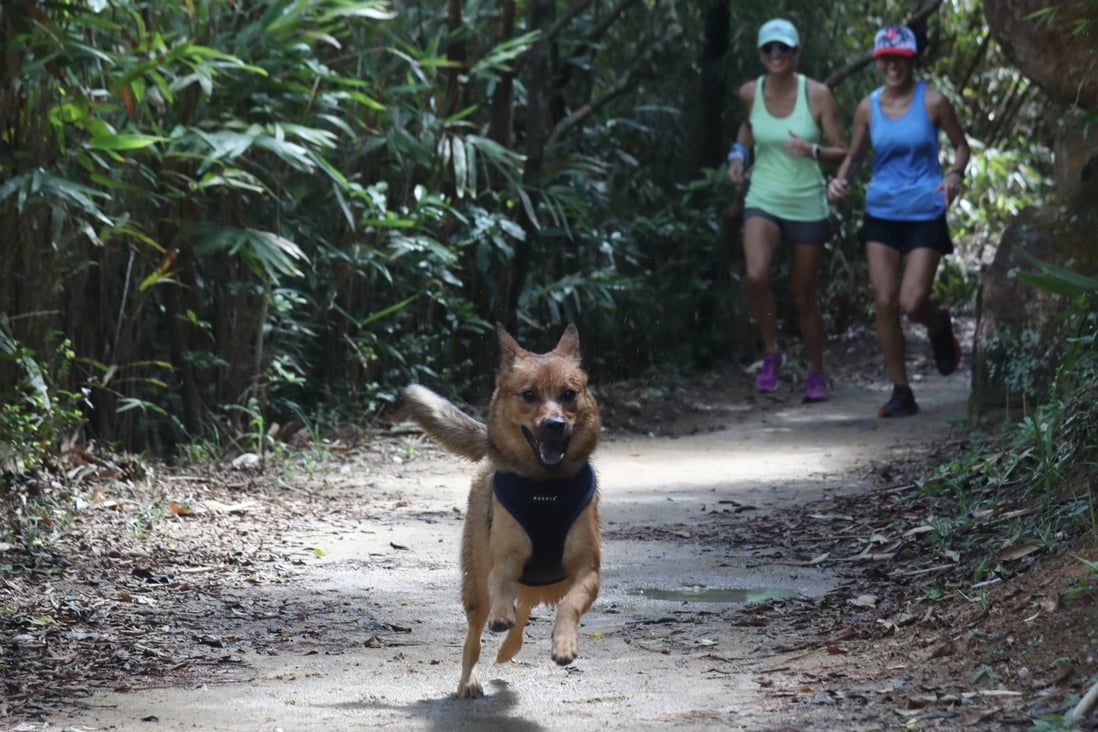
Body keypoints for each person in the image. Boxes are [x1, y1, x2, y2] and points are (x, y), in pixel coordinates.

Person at [827, 24, 970, 418]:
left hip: (925, 210)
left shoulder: (934, 101)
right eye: (886, 59)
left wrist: (955, 174)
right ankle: (901, 390)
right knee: (886, 300)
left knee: (912, 302)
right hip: (882, 212)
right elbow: (854, 156)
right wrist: (839, 181)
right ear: (878, 63)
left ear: (911, 59)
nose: (893, 65)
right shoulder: (867, 107)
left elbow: (961, 145)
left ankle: (938, 324)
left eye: (900, 58)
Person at [727, 18, 847, 403]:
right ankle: (772, 350)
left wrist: (812, 151)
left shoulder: (818, 95)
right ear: (761, 54)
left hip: (807, 201)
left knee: (803, 294)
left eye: (783, 49)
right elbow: (748, 127)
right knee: (756, 274)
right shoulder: (750, 92)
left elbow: (843, 150)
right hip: (764, 196)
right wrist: (737, 154)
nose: (776, 55)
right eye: (769, 49)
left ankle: (817, 370)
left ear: (796, 53)